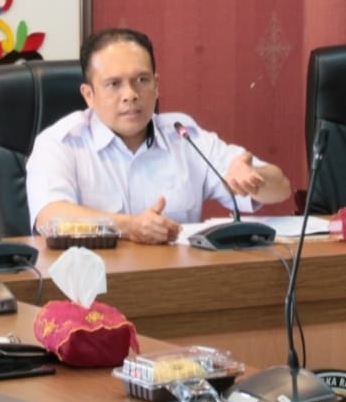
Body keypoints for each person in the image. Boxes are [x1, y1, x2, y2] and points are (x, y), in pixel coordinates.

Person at [26, 28, 291, 244]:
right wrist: (128, 227)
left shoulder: (184, 137)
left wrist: (254, 179)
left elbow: (281, 188)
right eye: (114, 84)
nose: (130, 95)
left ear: (156, 85)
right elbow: (50, 218)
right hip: (92, 285)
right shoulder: (60, 143)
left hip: (176, 284)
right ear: (89, 95)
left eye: (142, 80)